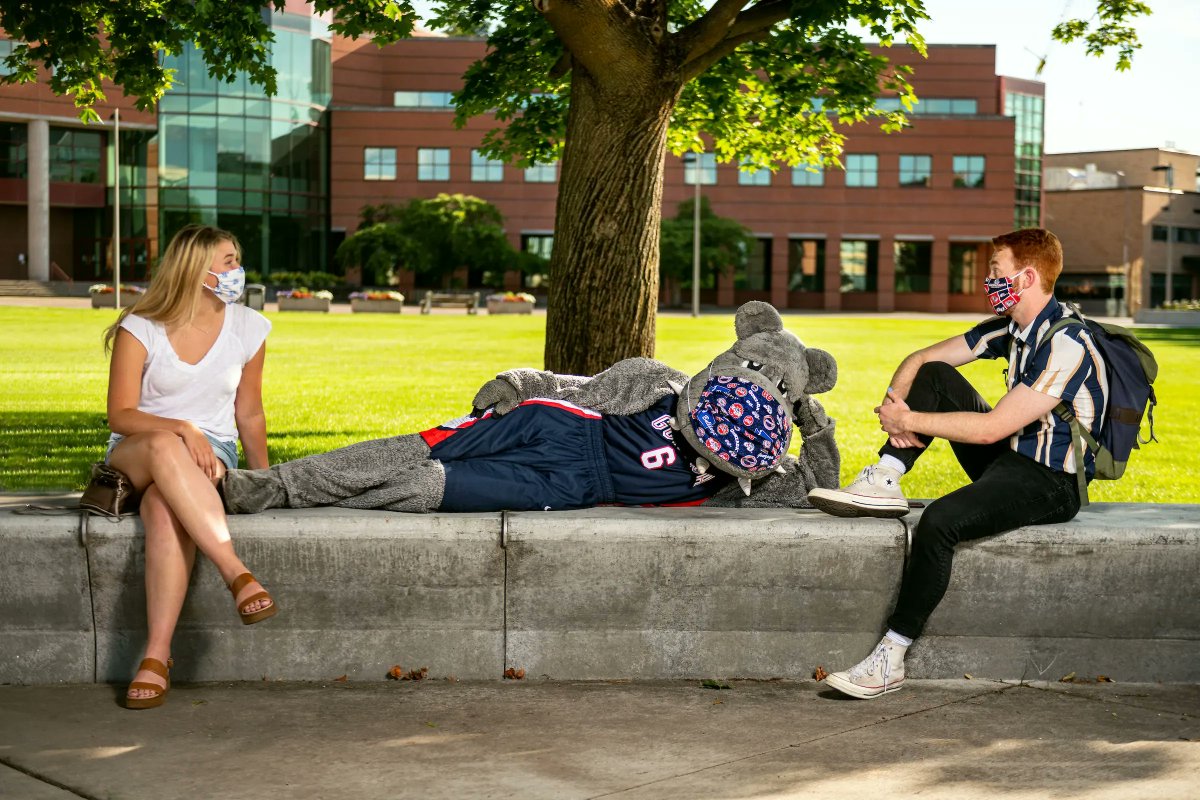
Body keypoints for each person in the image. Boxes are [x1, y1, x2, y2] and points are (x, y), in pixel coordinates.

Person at [807, 228, 1107, 699]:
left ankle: (891, 657)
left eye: (995, 270)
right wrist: (898, 411)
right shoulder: (1014, 327)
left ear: (1027, 277)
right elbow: (924, 358)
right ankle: (887, 474)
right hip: (1010, 460)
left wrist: (910, 417)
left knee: (939, 521)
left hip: (1050, 482)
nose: (988, 279)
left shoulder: (1067, 343)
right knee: (936, 376)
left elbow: (992, 429)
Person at [102, 224, 276, 709]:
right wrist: (184, 427)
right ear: (194, 269)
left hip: (209, 456)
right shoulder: (140, 324)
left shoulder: (250, 328)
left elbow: (250, 412)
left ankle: (156, 657)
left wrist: (262, 479)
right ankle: (235, 571)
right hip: (137, 449)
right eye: (227, 261)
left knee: (162, 508)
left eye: (236, 259)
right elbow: (121, 414)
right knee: (161, 444)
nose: (236, 270)